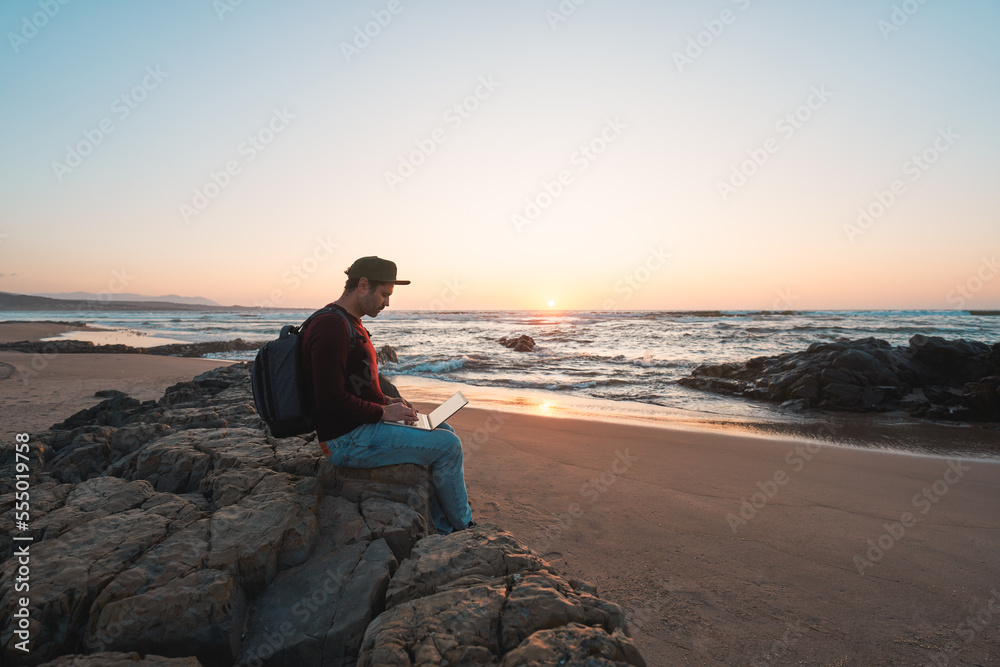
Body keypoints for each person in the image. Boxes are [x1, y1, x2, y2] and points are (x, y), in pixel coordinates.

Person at [301, 256, 473, 534]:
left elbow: (352, 385)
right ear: (363, 285)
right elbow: (330, 401)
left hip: (357, 427)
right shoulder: (331, 326)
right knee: (448, 446)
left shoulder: (348, 322)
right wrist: (383, 413)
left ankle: (443, 525)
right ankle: (463, 527)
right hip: (344, 441)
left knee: (445, 428)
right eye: (384, 295)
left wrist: (386, 401)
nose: (387, 303)